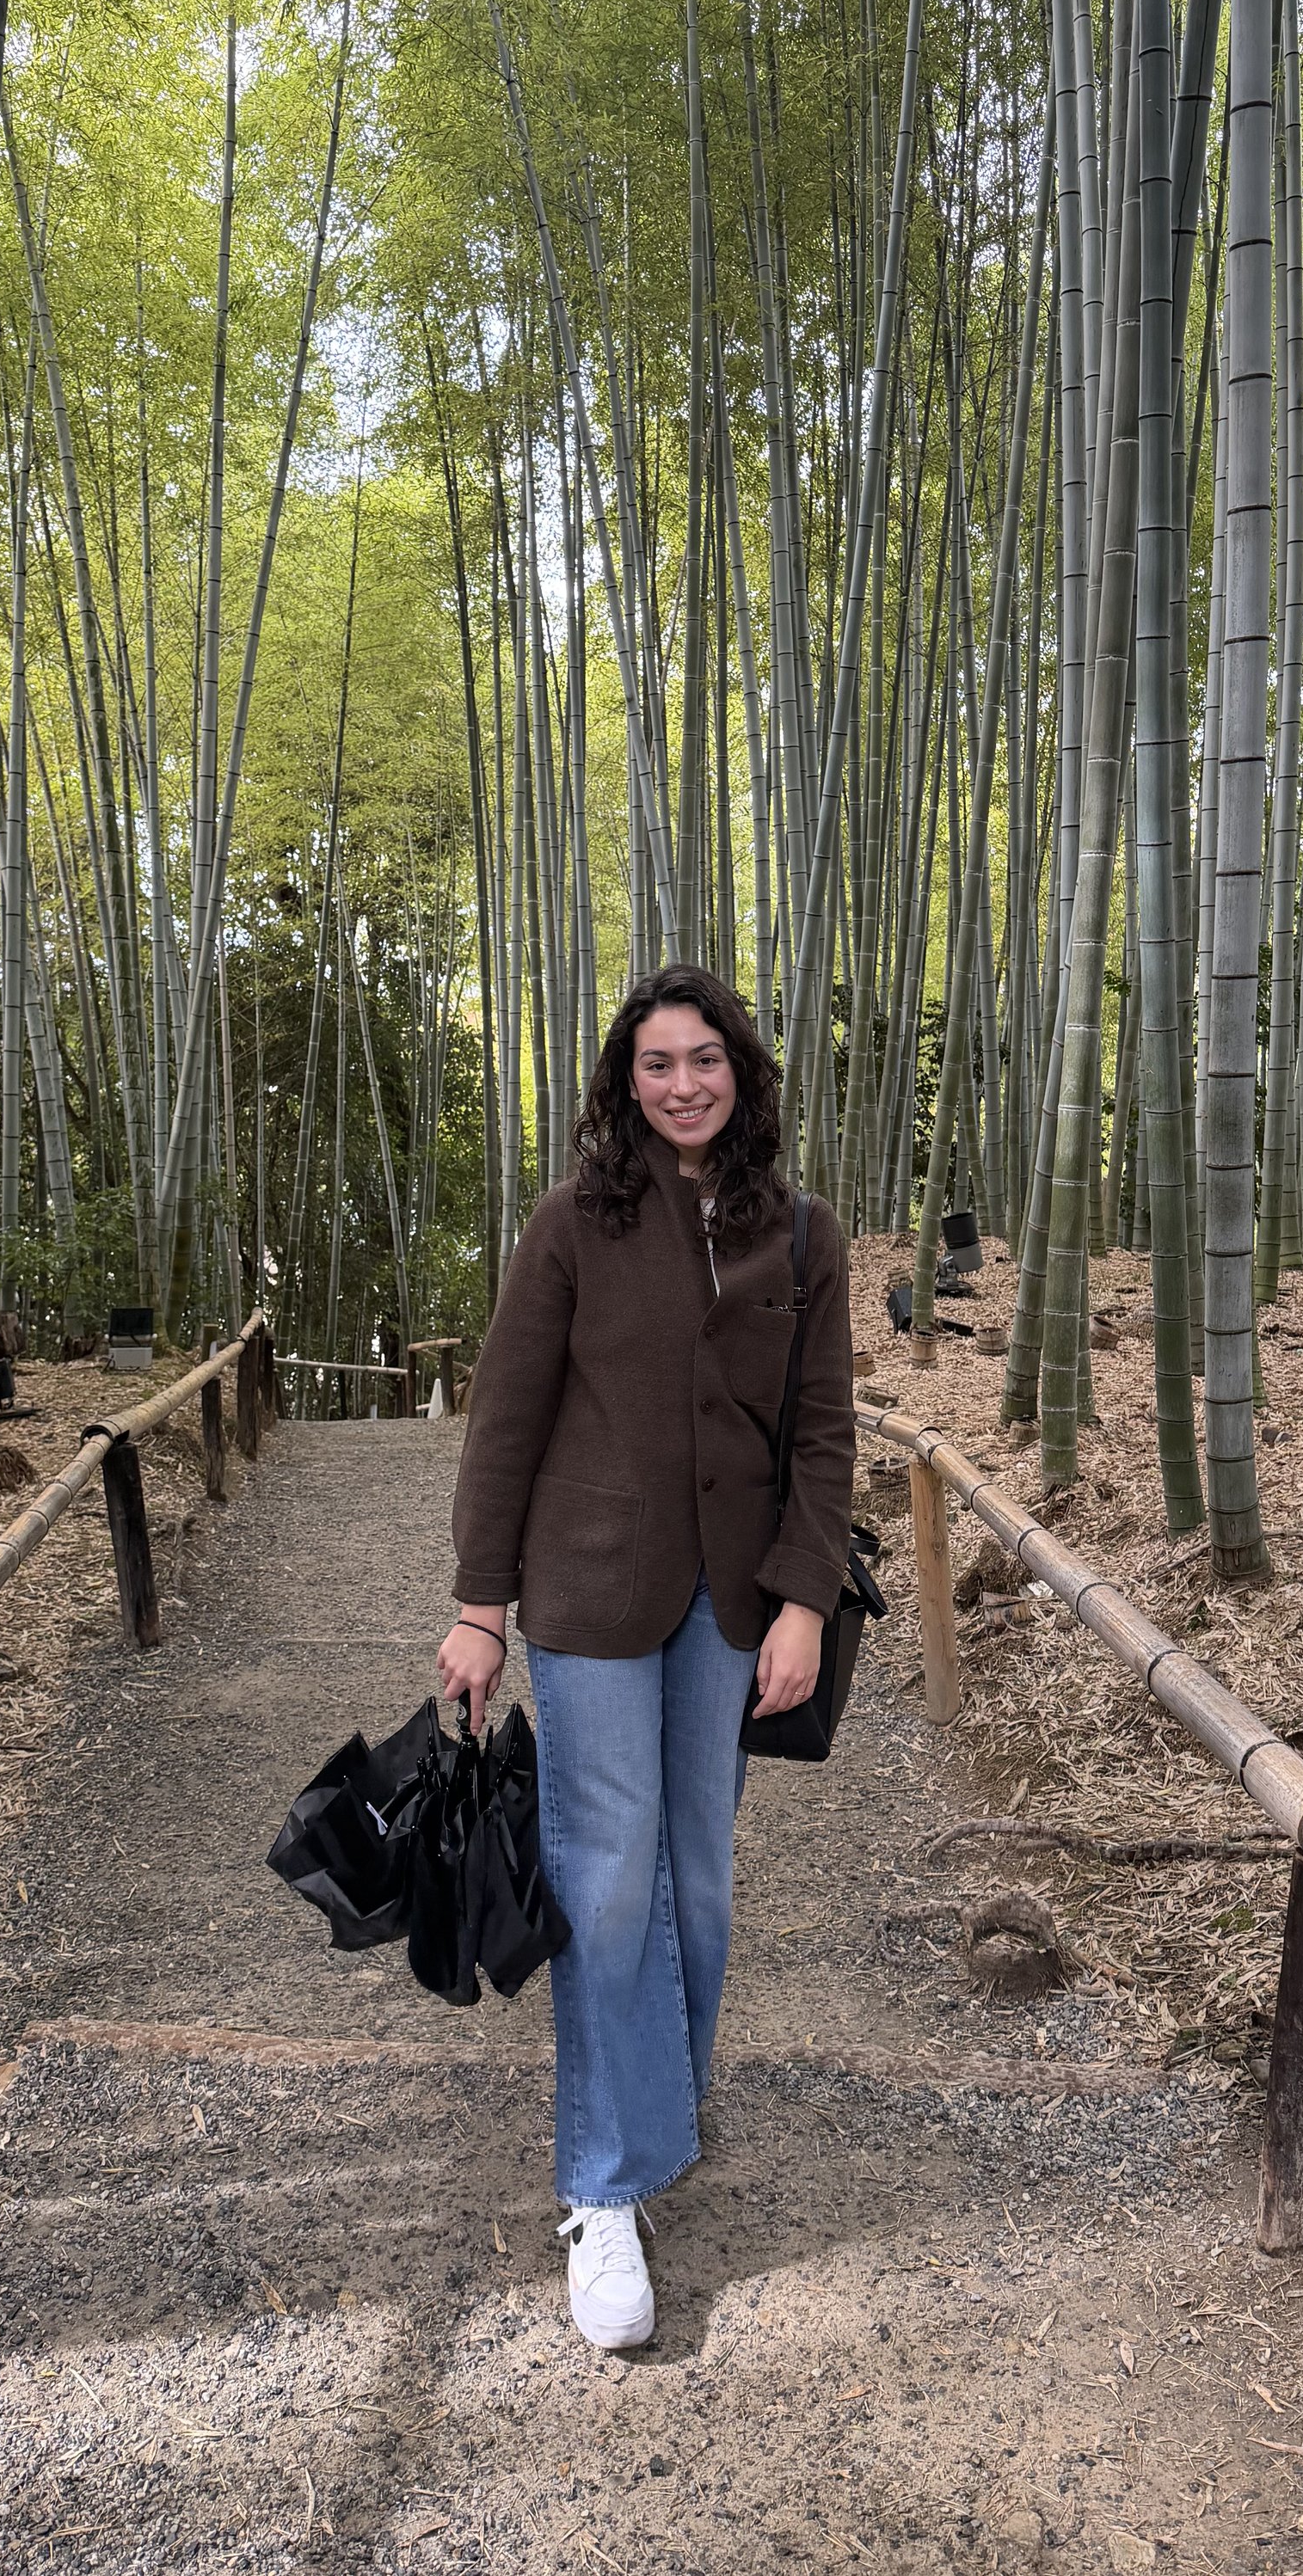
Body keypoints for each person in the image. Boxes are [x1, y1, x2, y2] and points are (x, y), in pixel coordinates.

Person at [441, 966, 855, 2351]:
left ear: (743, 1070)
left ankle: (647, 2105)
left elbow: (825, 1434)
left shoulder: (801, 1235)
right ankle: (604, 2188)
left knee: (702, 1888)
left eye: (706, 1059)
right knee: (608, 1883)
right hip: (589, 1592)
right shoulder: (573, 1224)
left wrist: (801, 1599)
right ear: (625, 1081)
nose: (683, 1083)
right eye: (657, 1063)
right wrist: (477, 1604)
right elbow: (505, 1419)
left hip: (731, 1602)